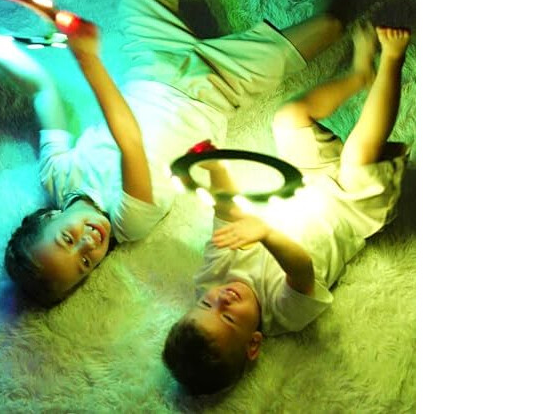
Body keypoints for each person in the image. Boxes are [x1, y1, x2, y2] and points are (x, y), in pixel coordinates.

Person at [0, 0, 385, 306]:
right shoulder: (128, 221)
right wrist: (88, 59)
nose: (87, 244)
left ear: (48, 216)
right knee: (330, 25)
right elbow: (130, 142)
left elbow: (43, 91)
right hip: (217, 85)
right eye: (84, 263)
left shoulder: (57, 176)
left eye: (67, 238)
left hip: (152, 58)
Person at [162, 23, 411, 395]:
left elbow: (228, 212)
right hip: (349, 207)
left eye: (206, 304)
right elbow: (300, 267)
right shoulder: (284, 316)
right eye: (228, 317)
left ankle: (359, 76)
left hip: (305, 179)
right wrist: (265, 233)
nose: (221, 299)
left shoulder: (212, 279)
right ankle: (392, 59)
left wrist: (214, 168)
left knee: (288, 116)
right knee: (358, 155)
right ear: (253, 344)